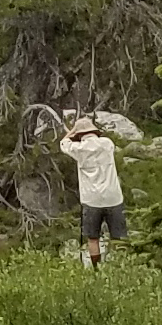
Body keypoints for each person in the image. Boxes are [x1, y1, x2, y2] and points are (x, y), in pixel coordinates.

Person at [59, 113, 128, 271]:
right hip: (113, 198)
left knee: (93, 238)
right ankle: (121, 268)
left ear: (79, 135)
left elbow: (63, 143)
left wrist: (72, 131)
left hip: (91, 200)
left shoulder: (78, 149)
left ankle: (96, 269)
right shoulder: (107, 143)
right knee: (119, 237)